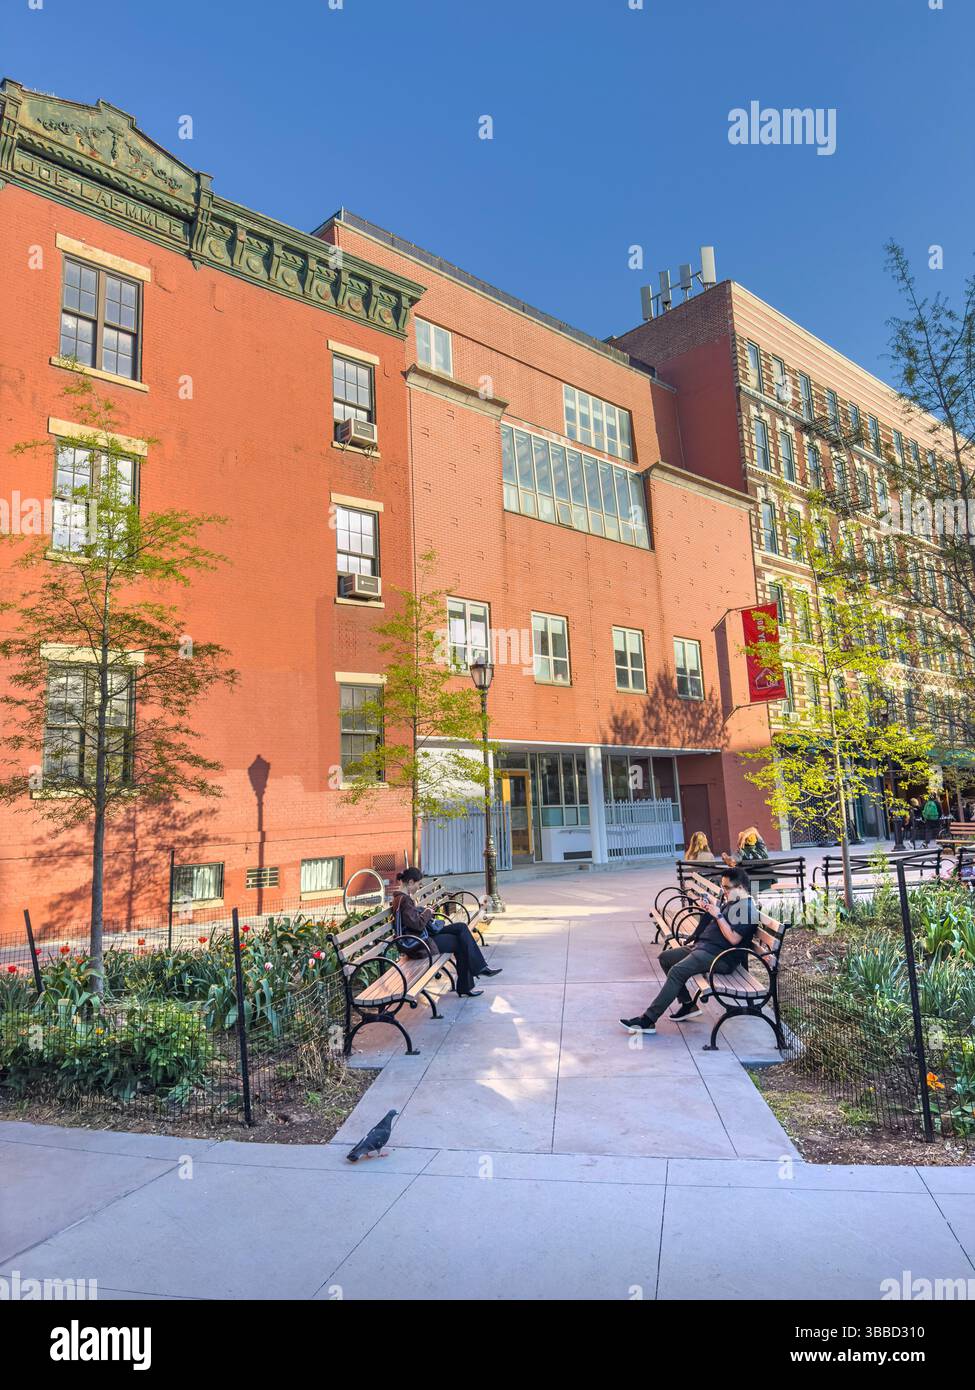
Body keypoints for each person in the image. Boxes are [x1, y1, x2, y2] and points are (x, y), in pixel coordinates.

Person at [620, 867, 779, 1036]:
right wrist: (710, 910)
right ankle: (688, 1003)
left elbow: (734, 939)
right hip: (705, 947)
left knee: (677, 971)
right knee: (666, 958)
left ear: (740, 888)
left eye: (726, 888)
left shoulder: (747, 909)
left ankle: (648, 1020)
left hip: (720, 957)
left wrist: (718, 916)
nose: (723, 891)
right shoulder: (734, 901)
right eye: (722, 887)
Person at [390, 871, 500, 997]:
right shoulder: (404, 900)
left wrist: (425, 912)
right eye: (418, 884)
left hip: (423, 936)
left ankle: (479, 969)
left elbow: (413, 922)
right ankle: (469, 981)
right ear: (410, 882)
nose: (418, 887)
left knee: (461, 928)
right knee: (460, 943)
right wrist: (427, 912)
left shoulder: (402, 898)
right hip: (420, 944)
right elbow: (418, 924)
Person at [721, 825, 773, 894]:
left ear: (743, 842)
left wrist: (725, 856)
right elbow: (754, 830)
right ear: (755, 840)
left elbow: (731, 862)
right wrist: (745, 836)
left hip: (749, 885)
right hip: (765, 883)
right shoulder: (762, 848)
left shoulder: (741, 852)